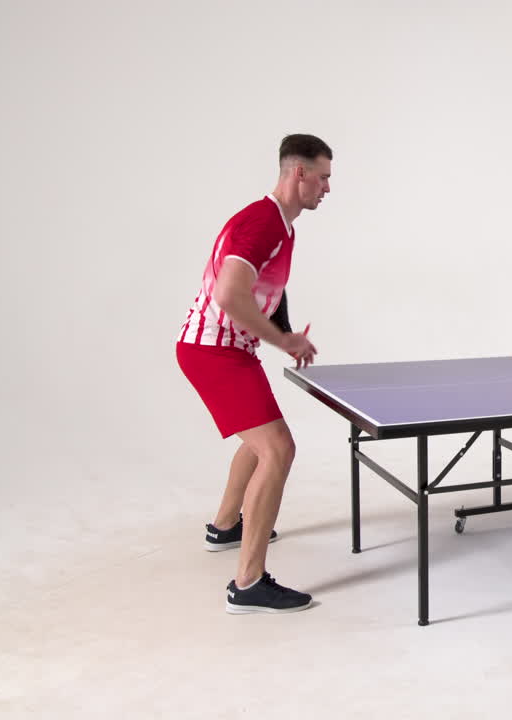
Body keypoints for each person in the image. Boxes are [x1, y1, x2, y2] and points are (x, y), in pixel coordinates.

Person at [177, 134, 331, 612]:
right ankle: (247, 583)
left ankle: (225, 526)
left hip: (224, 349)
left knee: (259, 441)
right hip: (214, 350)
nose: (327, 188)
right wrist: (283, 340)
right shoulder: (263, 221)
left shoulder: (281, 225)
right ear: (298, 172)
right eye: (323, 177)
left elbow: (269, 288)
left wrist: (284, 329)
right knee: (279, 447)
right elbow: (229, 294)